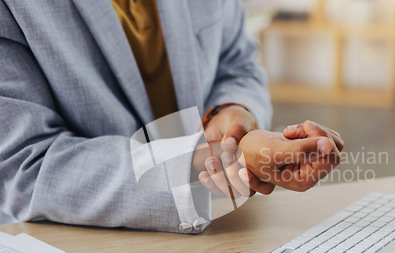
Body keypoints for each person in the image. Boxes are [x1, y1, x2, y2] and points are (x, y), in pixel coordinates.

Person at [0, 0, 343, 233]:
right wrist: (210, 164)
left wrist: (234, 112)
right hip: (81, 252)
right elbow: (27, 166)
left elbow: (237, 62)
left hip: (223, 233)